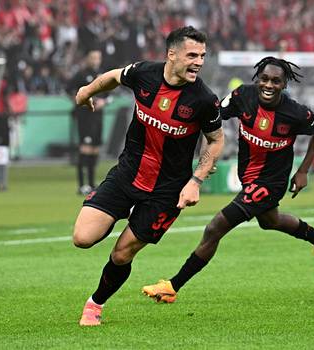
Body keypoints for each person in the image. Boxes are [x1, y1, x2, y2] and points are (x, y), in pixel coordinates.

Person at [142, 57, 314, 303]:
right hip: (248, 176)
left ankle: (172, 287)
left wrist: (303, 171)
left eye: (276, 81)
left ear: (284, 84)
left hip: (270, 183)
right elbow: (213, 116)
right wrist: (206, 155)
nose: (268, 85)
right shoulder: (242, 96)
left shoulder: (295, 113)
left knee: (215, 228)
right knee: (270, 221)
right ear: (258, 79)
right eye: (264, 79)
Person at [73, 26, 224, 326]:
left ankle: (95, 304)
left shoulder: (204, 99)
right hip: (127, 174)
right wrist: (87, 91)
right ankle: (114, 218)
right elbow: (115, 76)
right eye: (192, 55)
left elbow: (216, 140)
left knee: (121, 254)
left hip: (167, 191)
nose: (199, 62)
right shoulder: (145, 74)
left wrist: (196, 181)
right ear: (172, 54)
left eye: (203, 56)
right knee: (82, 237)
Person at [66, 48, 107, 195]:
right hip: (85, 116)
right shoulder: (81, 74)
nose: (96, 60)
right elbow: (68, 89)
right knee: (85, 148)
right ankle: (81, 185)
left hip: (98, 116)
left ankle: (91, 183)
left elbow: (108, 95)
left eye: (98, 57)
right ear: (87, 59)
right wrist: (80, 101)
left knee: (95, 149)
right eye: (93, 57)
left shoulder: (102, 75)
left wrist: (104, 101)